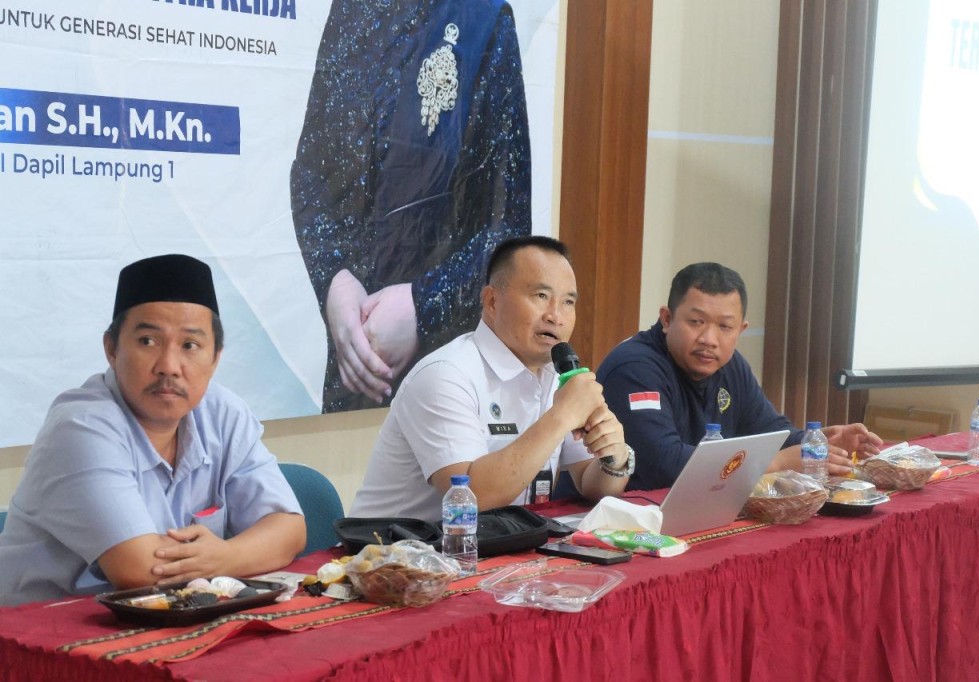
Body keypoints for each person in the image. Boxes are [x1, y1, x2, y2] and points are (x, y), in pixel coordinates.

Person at [0, 255, 306, 606]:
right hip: (42, 628)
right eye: (148, 341)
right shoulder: (80, 428)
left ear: (215, 358)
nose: (169, 366)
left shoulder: (223, 414)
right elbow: (141, 572)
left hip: (163, 619)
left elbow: (289, 530)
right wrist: (235, 554)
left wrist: (223, 556)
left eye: (190, 345)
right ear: (112, 349)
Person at [291, 0, 532, 413]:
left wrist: (423, 305)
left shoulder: (483, 21)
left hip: (446, 373)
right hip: (356, 368)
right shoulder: (352, 11)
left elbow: (509, 230)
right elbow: (312, 175)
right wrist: (335, 281)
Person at [350, 236, 635, 520]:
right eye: (541, 296)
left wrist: (614, 458)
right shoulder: (445, 375)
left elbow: (591, 484)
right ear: (492, 301)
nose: (556, 316)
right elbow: (471, 498)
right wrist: (562, 416)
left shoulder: (555, 375)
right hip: (394, 546)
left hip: (504, 541)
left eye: (568, 302)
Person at [597, 262, 882, 491]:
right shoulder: (635, 368)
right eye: (696, 322)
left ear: (740, 330)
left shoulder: (730, 366)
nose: (709, 339)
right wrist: (775, 464)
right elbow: (662, 463)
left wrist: (815, 441)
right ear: (667, 319)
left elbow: (769, 430)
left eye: (725, 327)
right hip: (627, 520)